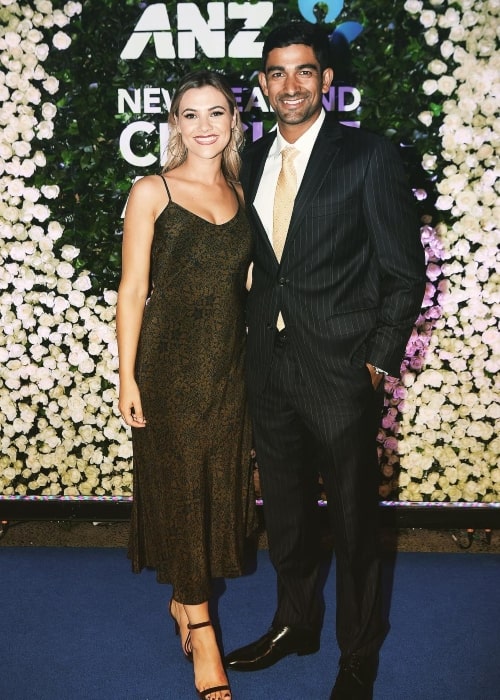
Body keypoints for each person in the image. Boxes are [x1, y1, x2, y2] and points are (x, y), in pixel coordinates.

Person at [224, 22, 426, 700]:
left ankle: (357, 654)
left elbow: (404, 273)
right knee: (284, 512)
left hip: (342, 370)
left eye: (304, 71)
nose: (290, 85)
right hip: (269, 367)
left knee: (353, 520)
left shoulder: (367, 156)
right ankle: (295, 622)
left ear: (326, 82)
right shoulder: (247, 160)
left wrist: (377, 361)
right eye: (276, 72)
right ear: (261, 83)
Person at [116, 70, 256, 700]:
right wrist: (126, 375)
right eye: (191, 114)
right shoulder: (153, 191)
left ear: (234, 122)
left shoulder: (241, 193)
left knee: (211, 490)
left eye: (216, 113)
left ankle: (183, 599)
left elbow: (246, 288)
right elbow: (133, 290)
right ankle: (202, 632)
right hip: (169, 369)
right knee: (181, 488)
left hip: (229, 369)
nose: (205, 125)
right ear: (174, 124)